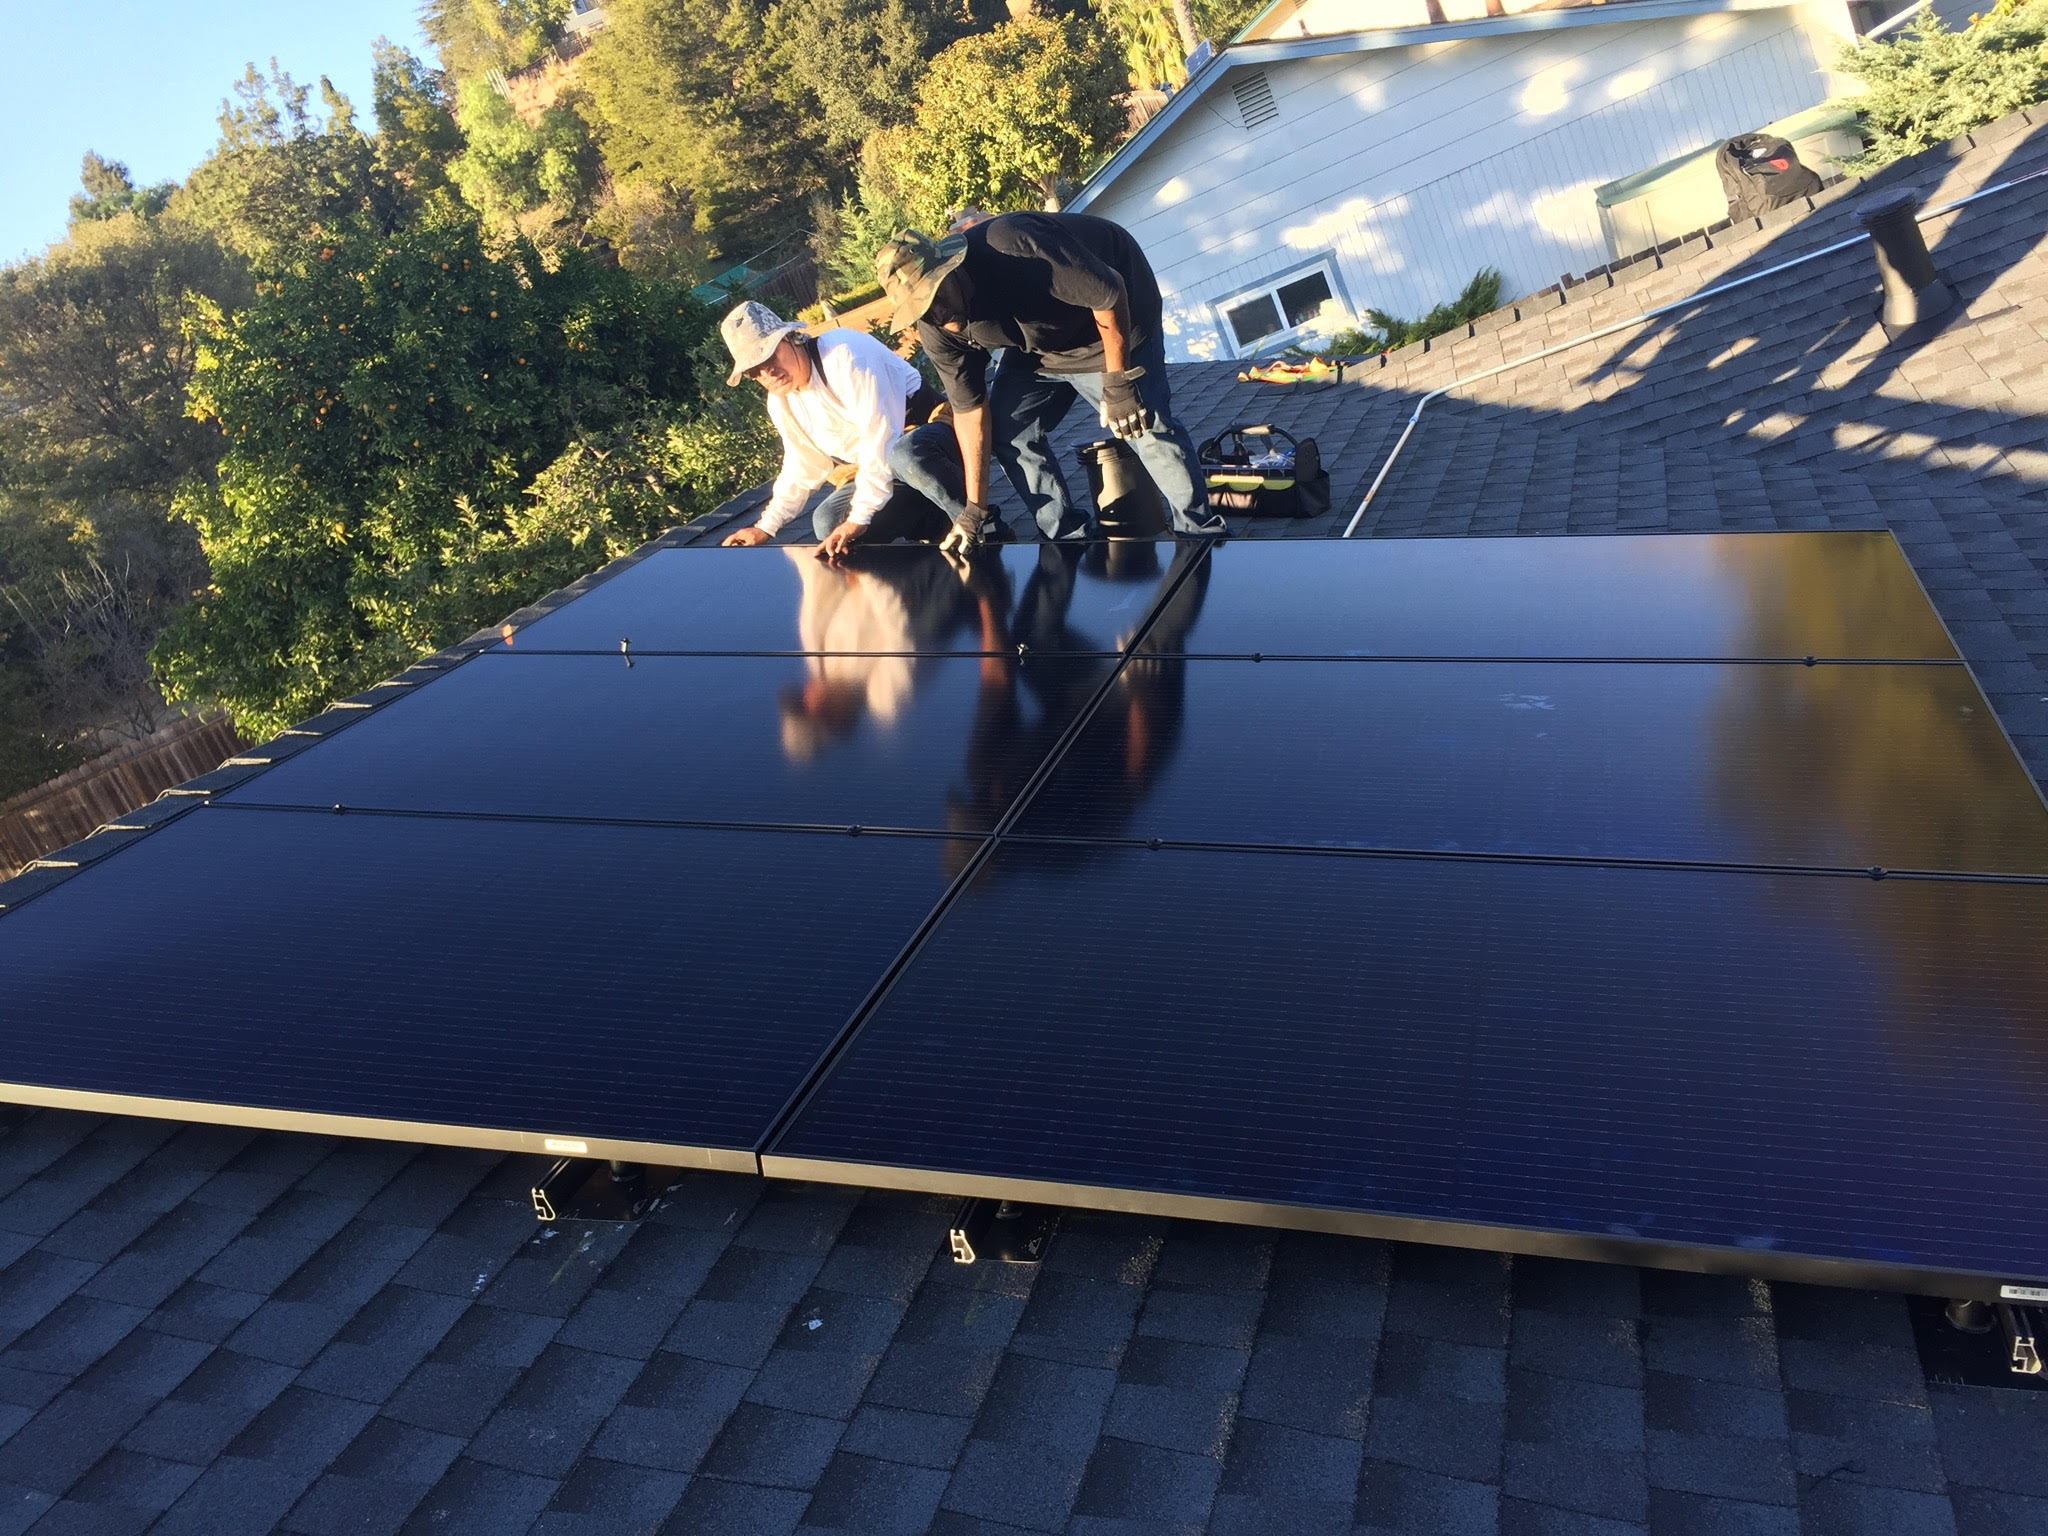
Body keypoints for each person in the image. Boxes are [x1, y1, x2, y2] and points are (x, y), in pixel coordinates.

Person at [874, 213, 1226, 548]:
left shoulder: (1013, 247)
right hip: (1039, 347)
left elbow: (1111, 292)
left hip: (1114, 314)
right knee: (1009, 432)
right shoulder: (938, 330)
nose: (937, 313)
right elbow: (970, 414)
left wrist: (1118, 383)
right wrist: (974, 510)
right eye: (923, 309)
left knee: (1140, 424)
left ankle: (1197, 531)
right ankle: (1068, 536)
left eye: (936, 297)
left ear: (951, 269)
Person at [716, 301, 960, 558]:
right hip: (892, 472)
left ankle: (977, 525)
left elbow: (880, 438)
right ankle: (933, 536)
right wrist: (765, 527)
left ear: (790, 338)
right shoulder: (782, 402)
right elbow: (803, 467)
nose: (768, 372)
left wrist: (859, 518)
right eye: (755, 370)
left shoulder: (844, 354)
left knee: (904, 456)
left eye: (769, 355)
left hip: (938, 448)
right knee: (828, 521)